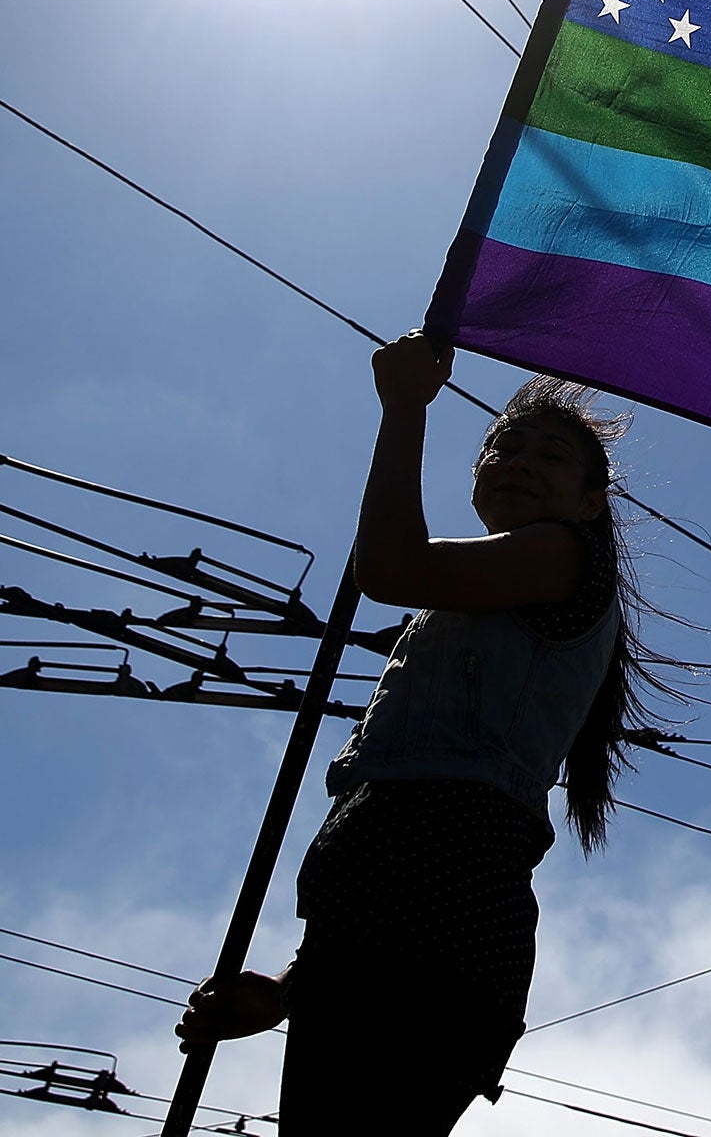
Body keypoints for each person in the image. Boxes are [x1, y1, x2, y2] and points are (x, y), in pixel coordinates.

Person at [177, 332, 673, 1134]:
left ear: (590, 503)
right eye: (502, 446)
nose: (518, 460)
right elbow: (410, 854)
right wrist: (295, 985)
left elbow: (390, 569)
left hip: (426, 946)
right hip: (386, 940)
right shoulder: (491, 591)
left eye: (549, 456)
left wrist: (404, 408)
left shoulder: (562, 557)